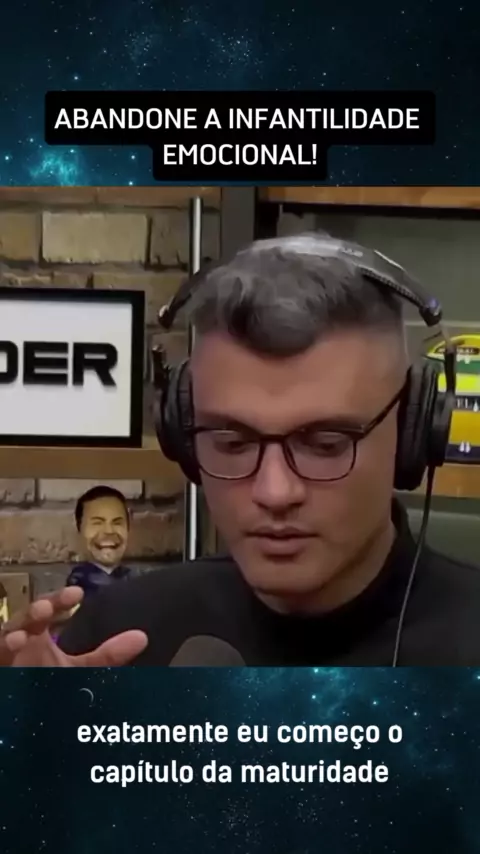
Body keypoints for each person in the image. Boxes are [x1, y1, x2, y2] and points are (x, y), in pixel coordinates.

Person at [1, 232, 480, 667]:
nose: (274, 492)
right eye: (232, 442)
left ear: (412, 431)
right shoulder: (116, 638)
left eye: (325, 444)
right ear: (182, 435)